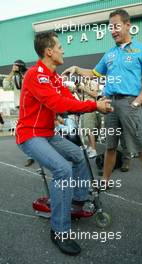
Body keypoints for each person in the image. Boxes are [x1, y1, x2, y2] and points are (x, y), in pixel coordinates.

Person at [62, 9, 142, 216]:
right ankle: (105, 182)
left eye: (116, 26)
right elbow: (94, 73)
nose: (113, 30)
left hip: (130, 104)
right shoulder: (110, 53)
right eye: (110, 27)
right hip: (110, 105)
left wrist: (137, 103)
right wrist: (75, 68)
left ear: (128, 25)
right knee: (110, 147)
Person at [16, 31, 112, 255]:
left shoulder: (54, 77)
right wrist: (93, 107)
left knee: (79, 155)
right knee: (62, 169)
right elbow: (57, 103)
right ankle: (59, 230)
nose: (63, 50)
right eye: (59, 46)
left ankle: (77, 201)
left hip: (47, 133)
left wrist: (95, 101)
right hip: (30, 135)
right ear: (49, 51)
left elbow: (66, 99)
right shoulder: (35, 74)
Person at [3, 60, 35, 167]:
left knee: (32, 131)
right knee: (21, 133)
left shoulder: (28, 75)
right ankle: (31, 155)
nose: (14, 67)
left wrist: (22, 73)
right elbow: (5, 85)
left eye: (16, 66)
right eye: (13, 66)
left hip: (30, 107)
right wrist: (12, 73)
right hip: (20, 108)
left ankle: (34, 155)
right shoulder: (14, 77)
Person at [76, 79, 99, 158]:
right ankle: (91, 147)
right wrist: (78, 89)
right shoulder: (83, 83)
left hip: (91, 107)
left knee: (90, 128)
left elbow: (95, 94)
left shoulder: (93, 82)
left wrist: (84, 88)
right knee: (86, 128)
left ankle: (94, 149)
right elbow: (81, 96)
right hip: (84, 107)